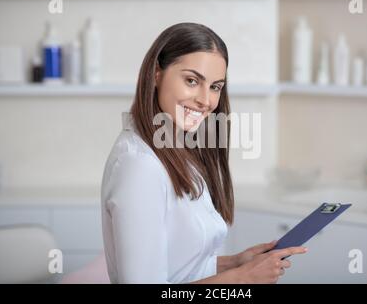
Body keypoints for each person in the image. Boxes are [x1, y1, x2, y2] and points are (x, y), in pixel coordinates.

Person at [101, 22, 306, 284]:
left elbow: (177, 265)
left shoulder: (174, 149)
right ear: (156, 74)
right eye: (191, 81)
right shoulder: (139, 165)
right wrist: (242, 279)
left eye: (215, 87)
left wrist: (233, 263)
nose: (205, 100)